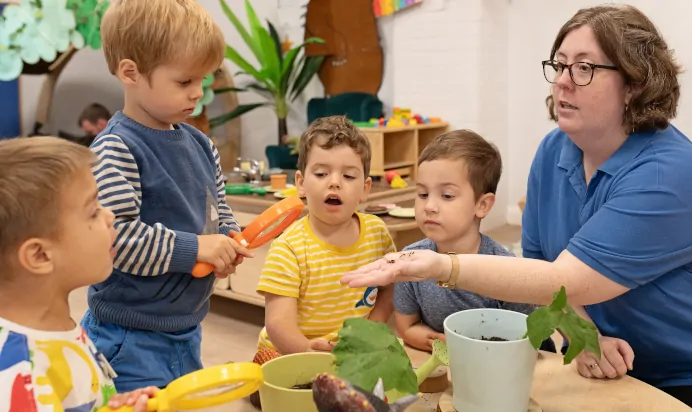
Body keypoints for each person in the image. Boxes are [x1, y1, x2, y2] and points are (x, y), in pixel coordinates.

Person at [341, 4, 692, 406]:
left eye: (584, 68)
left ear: (634, 83)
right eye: (559, 65)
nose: (562, 82)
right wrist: (586, 334)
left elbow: (562, 279)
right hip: (595, 357)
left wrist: (442, 265)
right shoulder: (554, 150)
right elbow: (543, 263)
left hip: (675, 373)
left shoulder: (672, 174)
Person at [80, 0, 253, 391]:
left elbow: (217, 207)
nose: (198, 94)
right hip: (127, 334)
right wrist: (197, 248)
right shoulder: (116, 148)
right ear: (131, 73)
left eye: (202, 81)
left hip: (186, 327)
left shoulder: (200, 143)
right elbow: (116, 239)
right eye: (184, 82)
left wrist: (227, 238)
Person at [0, 137, 157, 411]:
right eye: (93, 211)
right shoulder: (19, 378)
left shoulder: (53, 326)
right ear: (39, 256)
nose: (110, 216)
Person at [256, 115, 396, 354]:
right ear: (300, 183)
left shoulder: (377, 233)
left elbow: (390, 287)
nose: (334, 183)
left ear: (365, 189)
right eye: (321, 174)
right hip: (288, 351)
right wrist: (306, 351)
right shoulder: (288, 247)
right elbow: (278, 324)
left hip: (351, 350)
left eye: (349, 176)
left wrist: (371, 329)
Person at [393, 130, 540, 352]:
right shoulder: (410, 262)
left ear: (482, 205)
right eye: (423, 194)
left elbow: (531, 335)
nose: (429, 206)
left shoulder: (503, 267)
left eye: (447, 196)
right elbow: (406, 326)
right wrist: (438, 342)